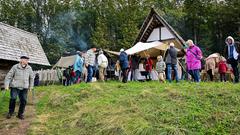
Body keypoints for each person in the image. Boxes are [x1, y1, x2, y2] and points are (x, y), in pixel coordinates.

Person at [4, 55, 34, 120]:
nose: (27, 61)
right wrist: (6, 85)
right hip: (15, 86)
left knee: (24, 100)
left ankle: (20, 114)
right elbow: (8, 76)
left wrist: (31, 86)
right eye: (25, 60)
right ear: (21, 60)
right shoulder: (15, 67)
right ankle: (10, 112)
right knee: (13, 98)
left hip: (24, 87)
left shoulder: (29, 68)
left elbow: (32, 78)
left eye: (27, 60)